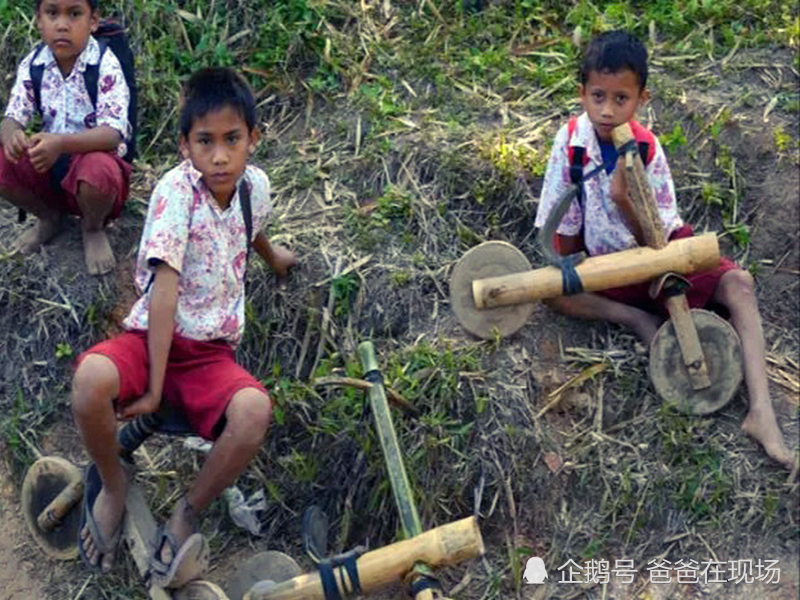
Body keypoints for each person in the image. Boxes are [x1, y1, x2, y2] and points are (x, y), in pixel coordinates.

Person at [71, 67, 297, 583]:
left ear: (253, 140)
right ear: (184, 147)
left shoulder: (253, 187)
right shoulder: (177, 192)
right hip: (152, 340)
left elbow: (250, 229)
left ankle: (189, 508)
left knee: (254, 410)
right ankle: (112, 483)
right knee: (89, 382)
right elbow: (166, 289)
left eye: (232, 140)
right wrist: (152, 388)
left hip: (209, 356)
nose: (219, 156)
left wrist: (274, 257)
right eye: (205, 141)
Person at [535, 30, 794, 470]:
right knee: (553, 291)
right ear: (582, 93)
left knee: (739, 285)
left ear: (641, 99)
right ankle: (638, 320)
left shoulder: (647, 148)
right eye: (598, 95)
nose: (607, 109)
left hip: (656, 255)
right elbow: (562, 232)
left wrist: (625, 200)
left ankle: (762, 413)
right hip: (609, 268)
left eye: (621, 99)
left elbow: (660, 240)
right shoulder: (571, 145)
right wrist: (570, 269)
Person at [0, 0, 132, 275]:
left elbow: (112, 134)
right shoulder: (34, 64)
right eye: (52, 13)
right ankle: (49, 217)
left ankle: (92, 227)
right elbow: (12, 117)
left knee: (98, 170)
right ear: (39, 20)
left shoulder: (104, 64)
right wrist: (13, 136)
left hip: (95, 173)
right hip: (50, 169)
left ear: (93, 21)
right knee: (3, 158)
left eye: (74, 14)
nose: (62, 24)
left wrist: (60, 143)